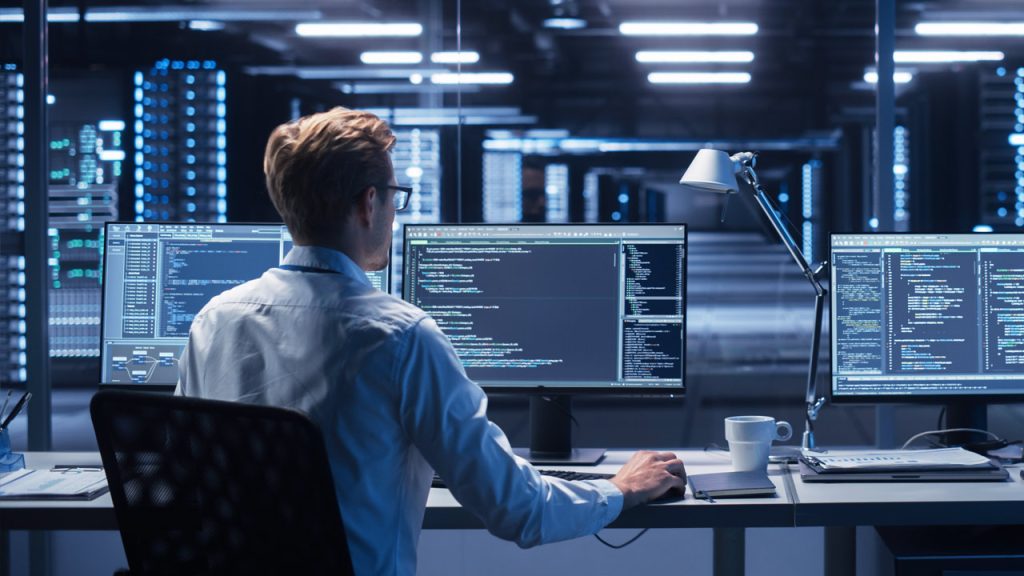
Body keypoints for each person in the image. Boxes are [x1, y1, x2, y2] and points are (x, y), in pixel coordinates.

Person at [176, 107, 685, 575]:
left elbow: (179, 476)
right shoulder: (398, 337)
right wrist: (621, 489)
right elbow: (518, 509)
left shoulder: (214, 321)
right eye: (394, 195)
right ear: (369, 203)